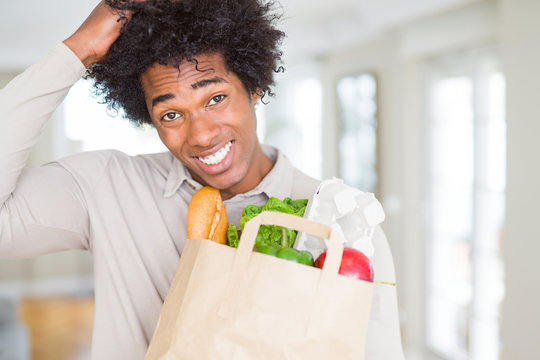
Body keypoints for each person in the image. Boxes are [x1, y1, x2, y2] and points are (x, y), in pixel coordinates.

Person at [0, 0, 404, 358]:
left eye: (215, 98)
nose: (202, 135)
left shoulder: (343, 224)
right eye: (171, 114)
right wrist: (77, 50)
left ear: (254, 85)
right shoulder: (108, 188)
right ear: (149, 120)